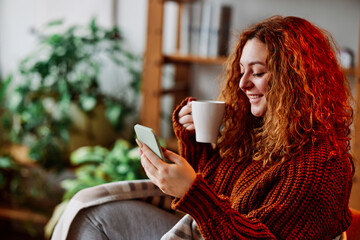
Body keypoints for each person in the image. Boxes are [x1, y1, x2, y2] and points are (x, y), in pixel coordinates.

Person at [61, 15, 354, 240]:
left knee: (93, 220)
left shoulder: (321, 167)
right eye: (242, 71)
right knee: (91, 209)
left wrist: (191, 190)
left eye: (259, 72)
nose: (242, 84)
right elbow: (216, 189)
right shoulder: (259, 134)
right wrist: (194, 139)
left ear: (295, 81)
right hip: (205, 231)